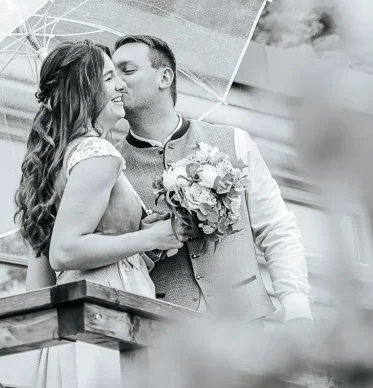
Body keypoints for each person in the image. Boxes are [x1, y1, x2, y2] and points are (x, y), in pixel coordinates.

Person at [13, 40, 184, 388]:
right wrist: (150, 236)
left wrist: (142, 237)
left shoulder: (56, 158)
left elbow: (38, 281)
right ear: (85, 92)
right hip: (108, 312)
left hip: (71, 318)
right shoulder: (100, 155)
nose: (121, 85)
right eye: (109, 78)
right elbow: (65, 251)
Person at [112, 34, 314, 326]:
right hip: (161, 335)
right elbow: (117, 264)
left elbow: (277, 228)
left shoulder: (234, 141)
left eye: (127, 71)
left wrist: (296, 306)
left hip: (244, 329)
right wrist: (149, 244)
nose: (116, 83)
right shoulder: (112, 166)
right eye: (111, 73)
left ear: (164, 77)